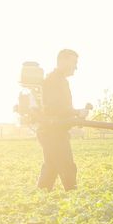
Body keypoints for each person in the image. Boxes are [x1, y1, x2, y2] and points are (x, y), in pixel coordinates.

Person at [37, 49, 87, 191]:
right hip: (53, 132)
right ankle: (73, 199)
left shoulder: (57, 80)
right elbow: (54, 108)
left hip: (52, 131)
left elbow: (60, 108)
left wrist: (75, 116)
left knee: (51, 167)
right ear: (63, 61)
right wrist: (77, 112)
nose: (76, 67)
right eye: (74, 63)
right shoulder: (54, 81)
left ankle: (39, 199)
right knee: (67, 167)